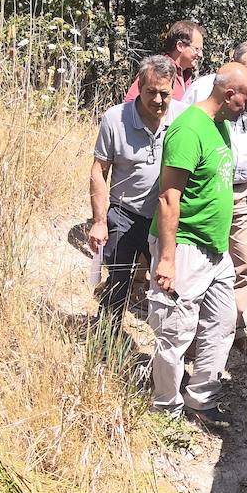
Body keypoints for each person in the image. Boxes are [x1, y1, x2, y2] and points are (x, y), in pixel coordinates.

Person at [148, 62, 247, 428]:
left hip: (214, 250)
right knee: (176, 329)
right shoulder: (189, 129)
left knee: (222, 321)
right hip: (184, 245)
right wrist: (166, 259)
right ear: (230, 94)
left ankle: (201, 400)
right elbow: (168, 197)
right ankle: (165, 406)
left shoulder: (220, 126)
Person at [182, 42, 247, 358]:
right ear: (232, 65)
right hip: (205, 190)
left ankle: (236, 329)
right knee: (202, 260)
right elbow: (180, 134)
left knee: (243, 265)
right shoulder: (201, 89)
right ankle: (194, 333)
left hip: (245, 192)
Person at [88, 54, 177, 334]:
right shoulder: (115, 119)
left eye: (165, 93)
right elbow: (99, 171)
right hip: (124, 215)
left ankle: (171, 349)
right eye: (151, 92)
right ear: (139, 86)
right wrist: (100, 221)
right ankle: (107, 340)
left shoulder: (182, 118)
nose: (158, 100)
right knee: (117, 282)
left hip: (164, 219)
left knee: (169, 285)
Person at [125, 20, 204, 104]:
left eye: (201, 50)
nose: (200, 55)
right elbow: (129, 104)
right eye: (197, 49)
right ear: (180, 46)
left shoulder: (186, 75)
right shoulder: (156, 70)